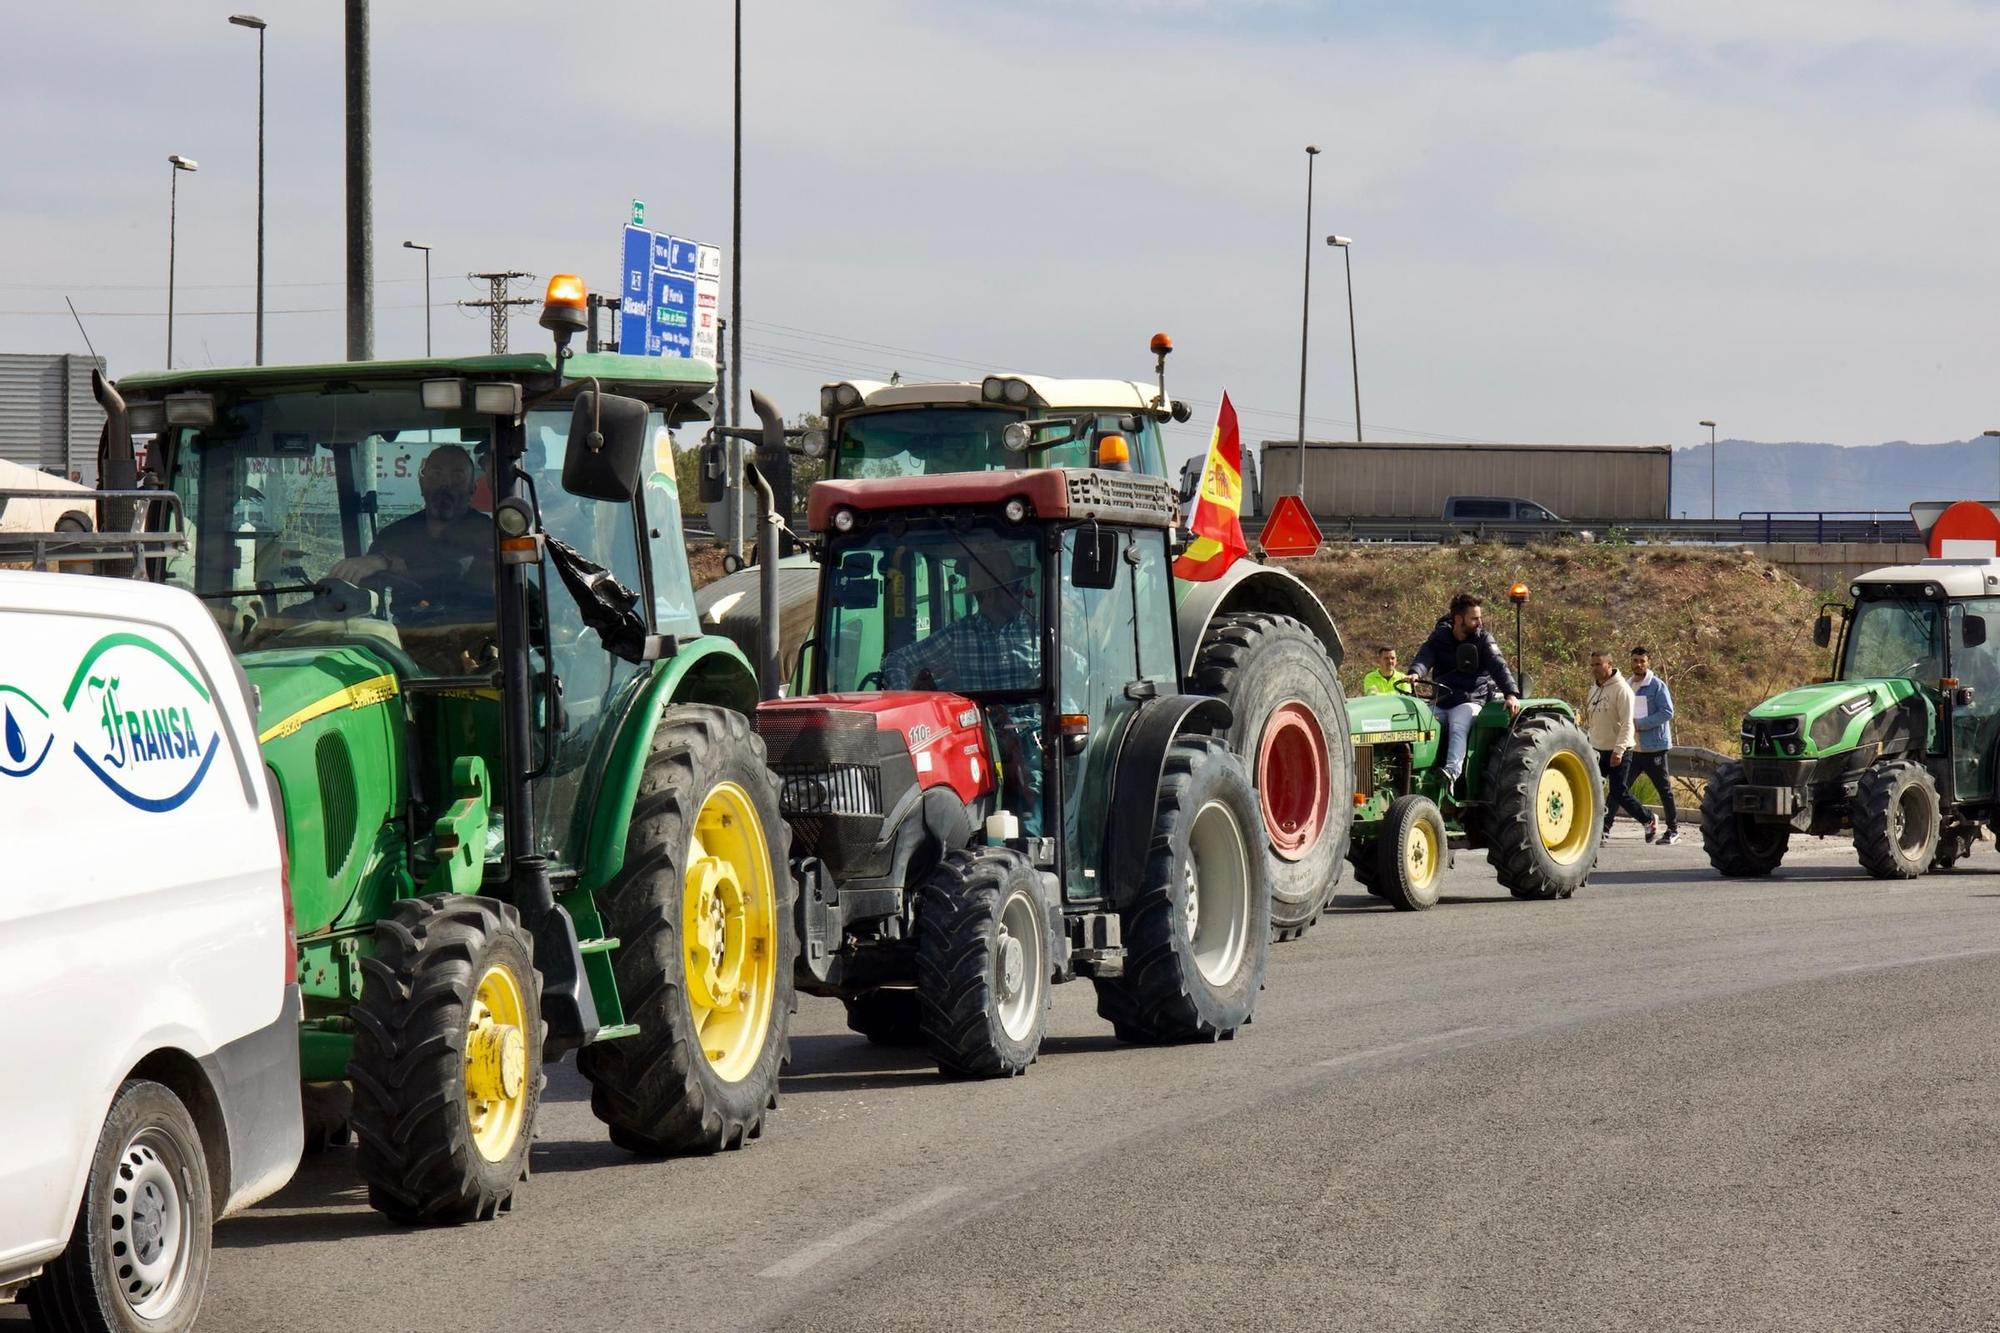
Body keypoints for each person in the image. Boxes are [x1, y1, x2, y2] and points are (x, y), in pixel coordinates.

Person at [883, 544, 1043, 831]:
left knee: (1038, 794)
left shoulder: (1036, 633)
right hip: (979, 738)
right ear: (992, 594)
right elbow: (898, 661)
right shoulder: (959, 635)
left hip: (1031, 737)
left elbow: (1076, 670)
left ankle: (1039, 846)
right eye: (1016, 588)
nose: (1024, 594)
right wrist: (906, 704)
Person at [329, 444, 493, 611]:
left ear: (473, 488)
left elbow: (454, 566)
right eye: (436, 474)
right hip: (405, 633)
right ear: (421, 482)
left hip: (482, 631)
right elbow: (366, 596)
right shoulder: (394, 536)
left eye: (457, 476)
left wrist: (386, 562)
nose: (445, 483)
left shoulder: (488, 533)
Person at [1409, 592, 1521, 791]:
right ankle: (1416, 775)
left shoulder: (1483, 640)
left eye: (1479, 618)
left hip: (1471, 698)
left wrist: (1511, 693)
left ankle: (1451, 773)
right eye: (1474, 618)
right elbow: (1425, 656)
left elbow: (1499, 666)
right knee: (1420, 723)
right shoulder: (1440, 637)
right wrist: (1415, 673)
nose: (1480, 622)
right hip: (1442, 700)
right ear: (1459, 619)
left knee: (1458, 724)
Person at [1585, 650, 1651, 839]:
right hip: (1597, 749)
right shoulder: (1594, 689)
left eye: (1598, 664)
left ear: (1609, 665)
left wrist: (1619, 750)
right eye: (1592, 665)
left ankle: (1647, 819)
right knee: (1592, 791)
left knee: (1618, 792)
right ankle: (1598, 830)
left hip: (1618, 751)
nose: (1594, 669)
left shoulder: (1622, 690)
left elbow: (1628, 723)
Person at [1626, 645, 1679, 844]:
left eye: (1642, 661)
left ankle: (1673, 830)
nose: (1638, 664)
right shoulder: (1626, 684)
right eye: (1635, 661)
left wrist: (1640, 724)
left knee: (1663, 790)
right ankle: (1645, 818)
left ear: (1649, 662)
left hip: (1654, 747)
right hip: (1633, 747)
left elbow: (1667, 712)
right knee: (1620, 789)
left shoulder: (1657, 686)